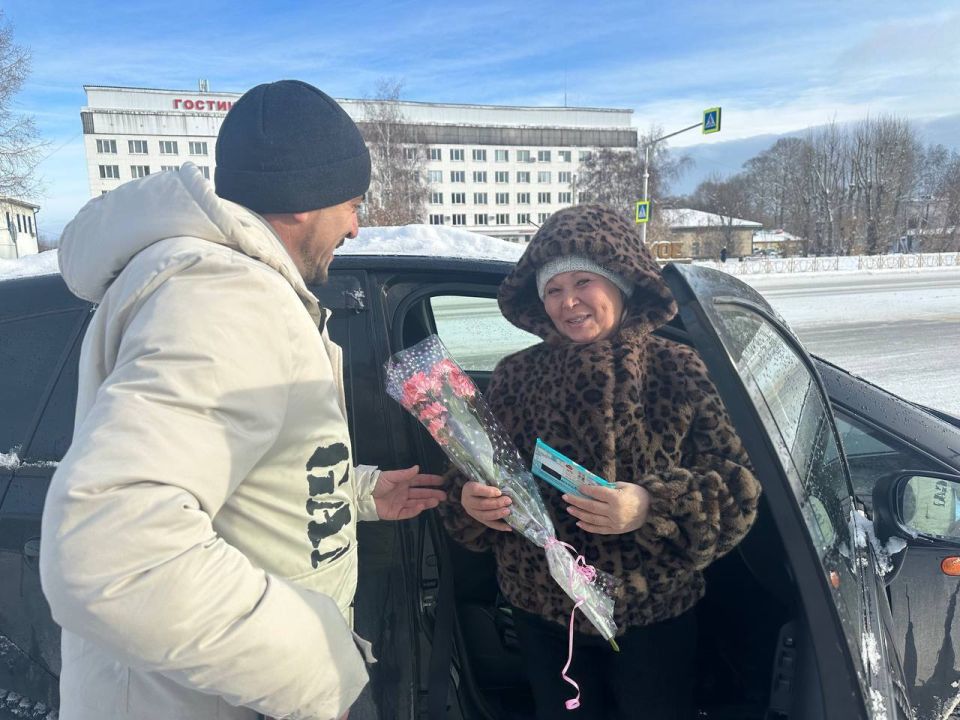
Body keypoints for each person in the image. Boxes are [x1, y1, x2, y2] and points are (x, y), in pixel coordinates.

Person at [39, 80, 445, 720]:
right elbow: (114, 553)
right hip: (222, 700)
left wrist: (356, 493)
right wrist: (321, 670)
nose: (355, 226)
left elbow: (237, 474)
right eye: (351, 204)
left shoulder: (222, 285)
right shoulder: (226, 296)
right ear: (303, 201)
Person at [441, 205, 762, 720]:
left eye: (583, 281)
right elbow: (480, 465)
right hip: (545, 613)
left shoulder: (678, 369)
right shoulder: (515, 375)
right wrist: (469, 499)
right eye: (553, 289)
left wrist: (650, 505)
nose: (568, 301)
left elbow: (736, 482)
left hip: (651, 614)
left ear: (622, 282)